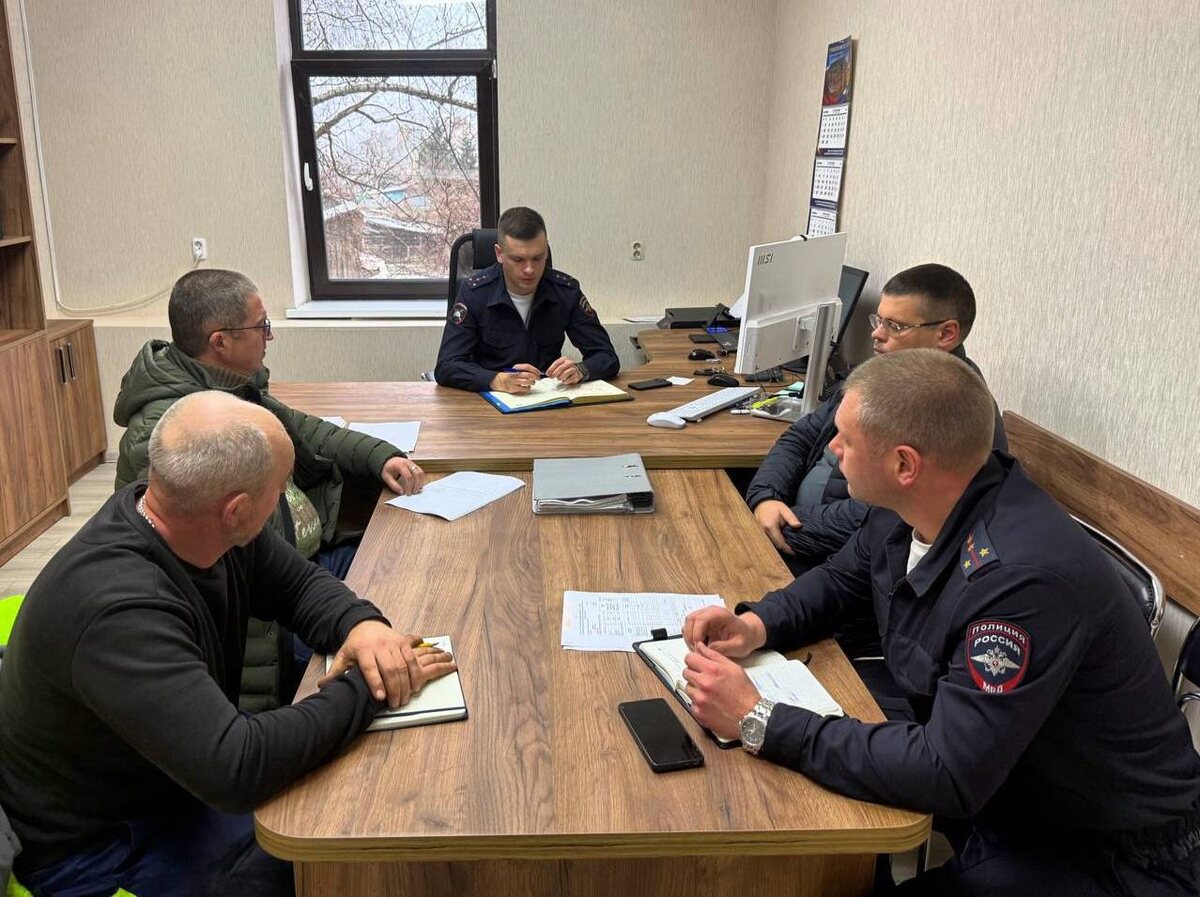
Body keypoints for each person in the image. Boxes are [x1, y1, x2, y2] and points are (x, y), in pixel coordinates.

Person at [681, 350, 1200, 895]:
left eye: (846, 439)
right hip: (1006, 788)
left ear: (905, 465)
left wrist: (759, 718)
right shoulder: (917, 503)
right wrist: (757, 624)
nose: (832, 449)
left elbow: (946, 773)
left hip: (1106, 854)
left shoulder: (1022, 582)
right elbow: (841, 579)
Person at [0, 392, 456, 897]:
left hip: (174, 777)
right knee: (336, 848)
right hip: (101, 845)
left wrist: (361, 626)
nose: (283, 498)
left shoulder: (193, 517)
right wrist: (370, 687)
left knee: (351, 806)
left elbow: (298, 585)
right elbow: (236, 766)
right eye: (280, 488)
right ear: (237, 509)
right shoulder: (121, 611)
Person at [746, 263, 1008, 579]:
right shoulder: (886, 373)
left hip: (834, 559)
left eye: (895, 326)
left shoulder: (952, 410)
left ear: (946, 334)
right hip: (794, 526)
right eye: (879, 320)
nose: (877, 333)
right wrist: (766, 497)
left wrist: (777, 523)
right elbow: (801, 435)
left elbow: (880, 518)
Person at [434, 206, 620, 393]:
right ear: (499, 254)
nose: (530, 269)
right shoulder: (475, 293)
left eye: (537, 258)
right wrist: (495, 380)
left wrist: (581, 370)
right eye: (518, 259)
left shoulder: (565, 291)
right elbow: (446, 366)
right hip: (492, 399)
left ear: (546, 251)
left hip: (548, 397)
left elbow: (606, 356)